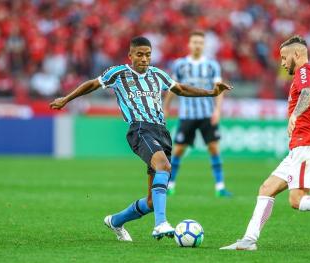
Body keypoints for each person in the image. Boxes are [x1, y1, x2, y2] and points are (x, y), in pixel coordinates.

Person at [50, 36, 232, 242]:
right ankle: (160, 224)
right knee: (163, 166)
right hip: (139, 129)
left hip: (161, 132)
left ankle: (116, 221)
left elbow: (180, 89)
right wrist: (66, 99)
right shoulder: (119, 73)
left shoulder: (158, 74)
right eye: (139, 54)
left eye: (148, 55)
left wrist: (210, 93)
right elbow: (92, 84)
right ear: (130, 56)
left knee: (152, 201)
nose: (144, 59)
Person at [220, 35, 310, 251]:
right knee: (267, 188)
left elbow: (307, 94)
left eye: (283, 57)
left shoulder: (304, 72)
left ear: (296, 54)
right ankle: (248, 240)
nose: (281, 62)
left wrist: (295, 115)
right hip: (300, 146)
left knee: (297, 199)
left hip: (307, 145)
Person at [163, 30, 232, 197]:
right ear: (189, 44)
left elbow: (219, 89)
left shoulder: (212, 65)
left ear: (204, 45)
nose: (197, 45)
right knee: (178, 150)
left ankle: (220, 187)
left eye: (200, 42)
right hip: (187, 115)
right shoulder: (179, 64)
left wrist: (217, 110)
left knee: (214, 148)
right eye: (194, 42)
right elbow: (173, 88)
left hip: (207, 114)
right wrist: (165, 108)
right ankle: (170, 184)